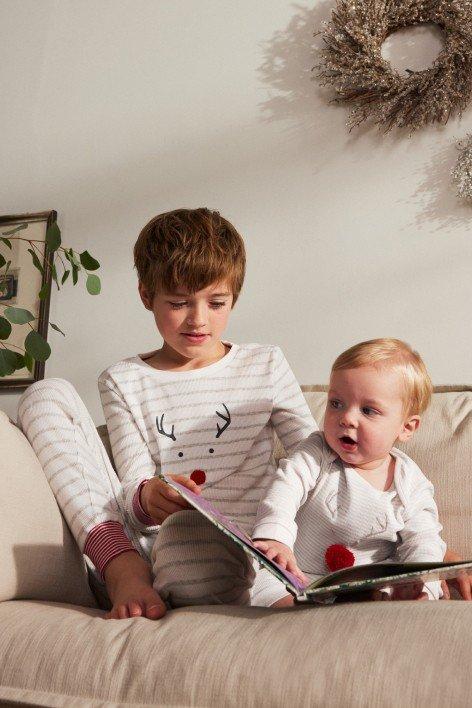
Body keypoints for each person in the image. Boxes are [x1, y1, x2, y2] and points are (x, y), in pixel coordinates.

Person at [16, 211, 470, 618]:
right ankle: (120, 565)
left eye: (216, 303)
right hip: (170, 546)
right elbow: (132, 493)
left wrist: (427, 554)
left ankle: (265, 592)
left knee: (225, 563)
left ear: (235, 296)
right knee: (45, 394)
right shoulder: (122, 379)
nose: (199, 320)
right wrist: (148, 496)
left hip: (259, 553)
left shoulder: (264, 364)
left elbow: (322, 461)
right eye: (178, 302)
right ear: (145, 294)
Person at [252, 338, 471, 602]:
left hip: (363, 583)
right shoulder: (317, 451)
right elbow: (285, 488)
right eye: (336, 403)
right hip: (296, 572)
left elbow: (423, 540)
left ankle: (386, 599)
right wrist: (275, 538)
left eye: (368, 410)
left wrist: (421, 584)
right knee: (264, 587)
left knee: (398, 588)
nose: (347, 418)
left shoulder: (411, 483)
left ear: (406, 427)